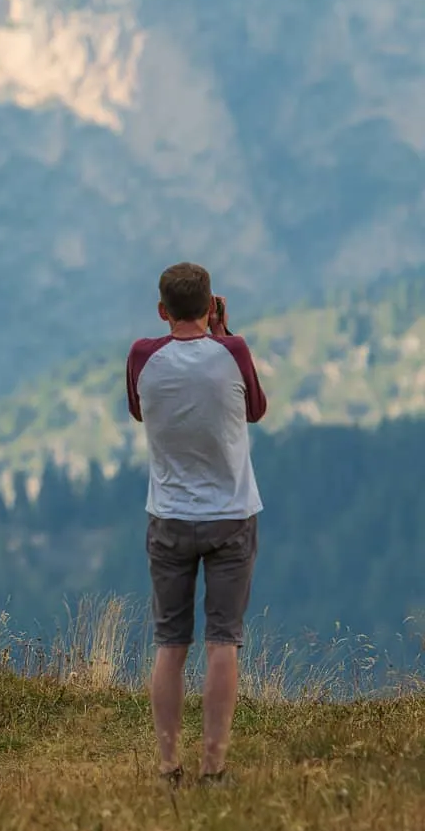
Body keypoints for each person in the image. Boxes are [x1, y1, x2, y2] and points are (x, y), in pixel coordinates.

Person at [126, 262, 268, 789]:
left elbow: (140, 411)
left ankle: (168, 768)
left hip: (169, 516)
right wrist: (224, 333)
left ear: (162, 311)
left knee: (170, 643)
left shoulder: (142, 355)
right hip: (231, 514)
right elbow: (256, 408)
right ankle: (214, 767)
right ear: (211, 307)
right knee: (222, 641)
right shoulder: (232, 351)